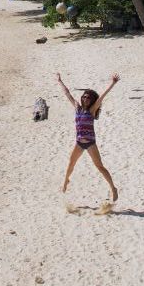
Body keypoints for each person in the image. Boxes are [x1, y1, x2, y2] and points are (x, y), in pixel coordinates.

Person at [57, 71, 120, 201]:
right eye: (84, 96)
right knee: (71, 163)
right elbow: (67, 93)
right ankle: (66, 181)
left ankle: (113, 188)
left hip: (90, 143)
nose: (85, 98)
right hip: (79, 142)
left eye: (88, 97)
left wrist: (112, 83)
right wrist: (60, 81)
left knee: (99, 166)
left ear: (91, 100)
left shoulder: (92, 111)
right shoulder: (77, 108)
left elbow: (102, 96)